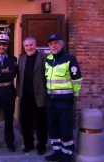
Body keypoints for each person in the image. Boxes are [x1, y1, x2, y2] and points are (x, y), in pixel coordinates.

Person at [44, 34, 82, 162]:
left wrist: (74, 95)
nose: (53, 45)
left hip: (65, 101)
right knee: (53, 127)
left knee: (65, 127)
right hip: (51, 100)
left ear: (61, 44)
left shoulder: (69, 58)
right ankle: (57, 151)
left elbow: (77, 79)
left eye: (56, 43)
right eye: (51, 43)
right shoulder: (47, 59)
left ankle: (67, 153)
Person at [15, 37, 48, 155]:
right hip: (25, 96)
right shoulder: (22, 58)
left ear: (36, 45)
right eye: (26, 46)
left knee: (41, 123)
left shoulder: (44, 58)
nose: (29, 48)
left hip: (39, 95)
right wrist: (18, 93)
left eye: (31, 45)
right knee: (26, 122)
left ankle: (41, 145)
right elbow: (19, 77)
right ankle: (28, 144)